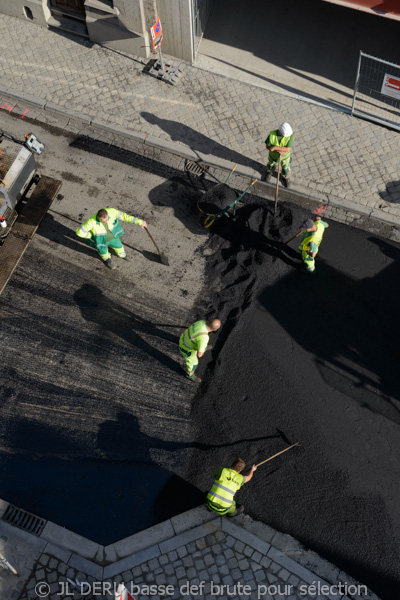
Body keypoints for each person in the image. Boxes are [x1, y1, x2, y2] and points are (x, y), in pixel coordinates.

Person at [76, 208, 147, 269]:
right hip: (101, 242)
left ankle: (123, 255)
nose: (106, 221)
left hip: (113, 237)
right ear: (98, 217)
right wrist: (91, 236)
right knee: (103, 252)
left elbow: (124, 216)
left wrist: (140, 222)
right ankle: (108, 260)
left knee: (119, 246)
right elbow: (79, 231)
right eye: (104, 221)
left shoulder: (111, 212)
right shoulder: (91, 222)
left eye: (107, 219)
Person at [179, 318, 221, 383]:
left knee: (200, 343)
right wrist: (202, 349)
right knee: (193, 364)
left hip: (184, 338)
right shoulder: (204, 337)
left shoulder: (201, 322)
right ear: (215, 329)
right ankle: (189, 375)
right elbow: (199, 355)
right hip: (186, 349)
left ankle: (202, 347)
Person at [264, 122, 294, 187]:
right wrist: (279, 149)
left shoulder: (290, 135)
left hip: (285, 157)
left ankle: (286, 177)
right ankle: (270, 172)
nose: (285, 136)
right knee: (271, 164)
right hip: (273, 156)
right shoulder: (272, 135)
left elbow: (287, 149)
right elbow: (267, 146)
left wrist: (275, 148)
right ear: (280, 131)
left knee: (286, 168)